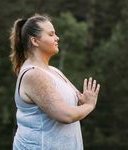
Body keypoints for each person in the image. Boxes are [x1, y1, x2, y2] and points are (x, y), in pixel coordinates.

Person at [9, 14, 100, 150]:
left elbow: (76, 102)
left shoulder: (53, 71)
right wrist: (90, 105)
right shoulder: (34, 74)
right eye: (51, 34)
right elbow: (66, 115)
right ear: (35, 41)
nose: (57, 38)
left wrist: (82, 100)